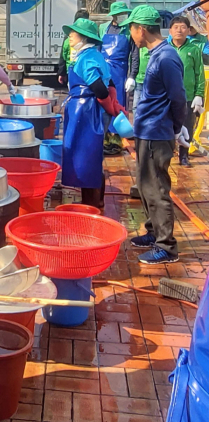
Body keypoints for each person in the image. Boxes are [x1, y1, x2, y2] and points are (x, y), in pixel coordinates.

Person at [121, 5, 187, 264]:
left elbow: (178, 97)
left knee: (157, 188)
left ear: (141, 29)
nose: (131, 35)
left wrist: (175, 128)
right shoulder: (155, 54)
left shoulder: (166, 57)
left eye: (131, 29)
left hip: (158, 132)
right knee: (146, 186)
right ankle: (153, 231)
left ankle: (167, 247)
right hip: (147, 130)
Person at [62, 18, 124, 208]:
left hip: (86, 110)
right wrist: (113, 104)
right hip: (87, 109)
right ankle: (95, 200)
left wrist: (108, 105)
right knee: (91, 153)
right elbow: (110, 83)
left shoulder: (86, 57)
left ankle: (92, 203)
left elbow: (99, 88)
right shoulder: (94, 54)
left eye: (74, 33)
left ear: (84, 37)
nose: (70, 36)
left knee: (86, 154)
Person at [99, 1, 139, 156]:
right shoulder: (103, 28)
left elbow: (134, 55)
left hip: (120, 72)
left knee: (118, 105)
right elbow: (97, 49)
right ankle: (103, 139)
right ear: (113, 15)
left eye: (124, 13)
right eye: (120, 14)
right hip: (104, 71)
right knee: (103, 103)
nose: (123, 16)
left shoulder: (129, 31)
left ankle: (116, 141)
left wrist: (132, 76)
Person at [169, 16, 205, 167]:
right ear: (170, 30)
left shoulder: (194, 50)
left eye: (183, 27)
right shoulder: (165, 48)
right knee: (167, 125)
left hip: (188, 96)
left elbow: (199, 74)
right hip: (167, 96)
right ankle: (167, 154)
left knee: (187, 127)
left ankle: (184, 156)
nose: (179, 30)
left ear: (189, 30)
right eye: (176, 27)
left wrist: (199, 95)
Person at [58, 9, 90, 85]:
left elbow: (63, 56)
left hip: (72, 71)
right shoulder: (91, 36)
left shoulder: (69, 36)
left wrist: (62, 73)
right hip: (87, 71)